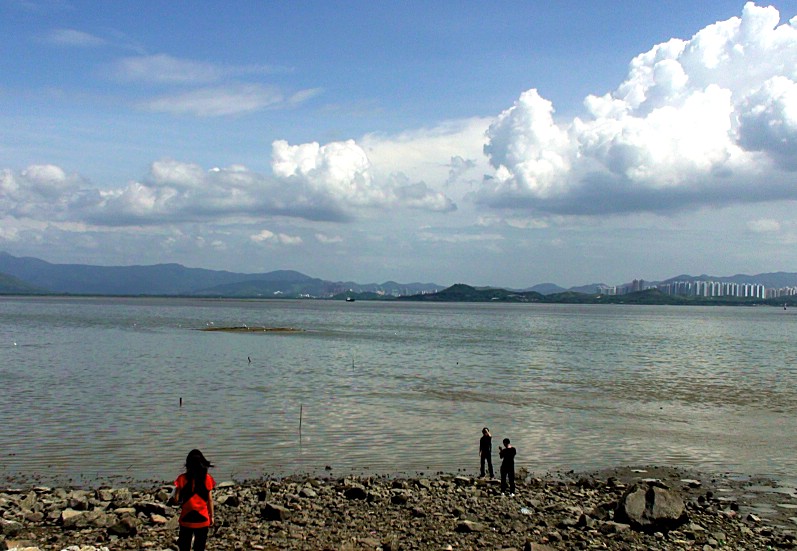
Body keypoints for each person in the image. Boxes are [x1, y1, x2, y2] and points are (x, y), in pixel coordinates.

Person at [171, 449, 216, 551]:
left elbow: (176, 500)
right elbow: (210, 500)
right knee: (199, 547)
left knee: (184, 547)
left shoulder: (181, 479)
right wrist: (212, 516)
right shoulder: (207, 478)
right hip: (203, 519)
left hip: (186, 519)